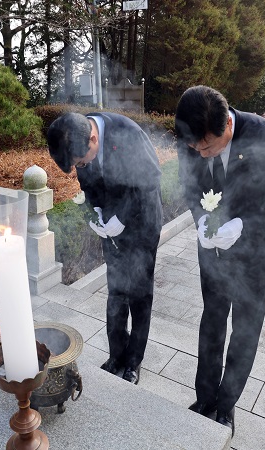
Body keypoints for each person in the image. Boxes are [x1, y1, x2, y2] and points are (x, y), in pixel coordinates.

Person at [175, 86, 265, 437]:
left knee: (244, 332)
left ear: (226, 125)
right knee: (211, 323)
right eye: (194, 147)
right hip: (212, 252)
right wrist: (199, 216)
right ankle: (204, 398)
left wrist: (243, 223)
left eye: (208, 147)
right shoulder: (191, 138)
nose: (200, 153)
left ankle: (226, 406)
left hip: (254, 254)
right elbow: (189, 186)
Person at [47, 112, 163, 385]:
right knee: (116, 290)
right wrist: (95, 213)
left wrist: (121, 218)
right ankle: (116, 356)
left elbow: (150, 182)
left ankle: (133, 362)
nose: (81, 166)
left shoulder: (128, 134)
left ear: (94, 139)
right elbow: (88, 185)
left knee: (139, 294)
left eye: (81, 161)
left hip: (142, 223)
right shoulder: (76, 138)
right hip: (111, 223)